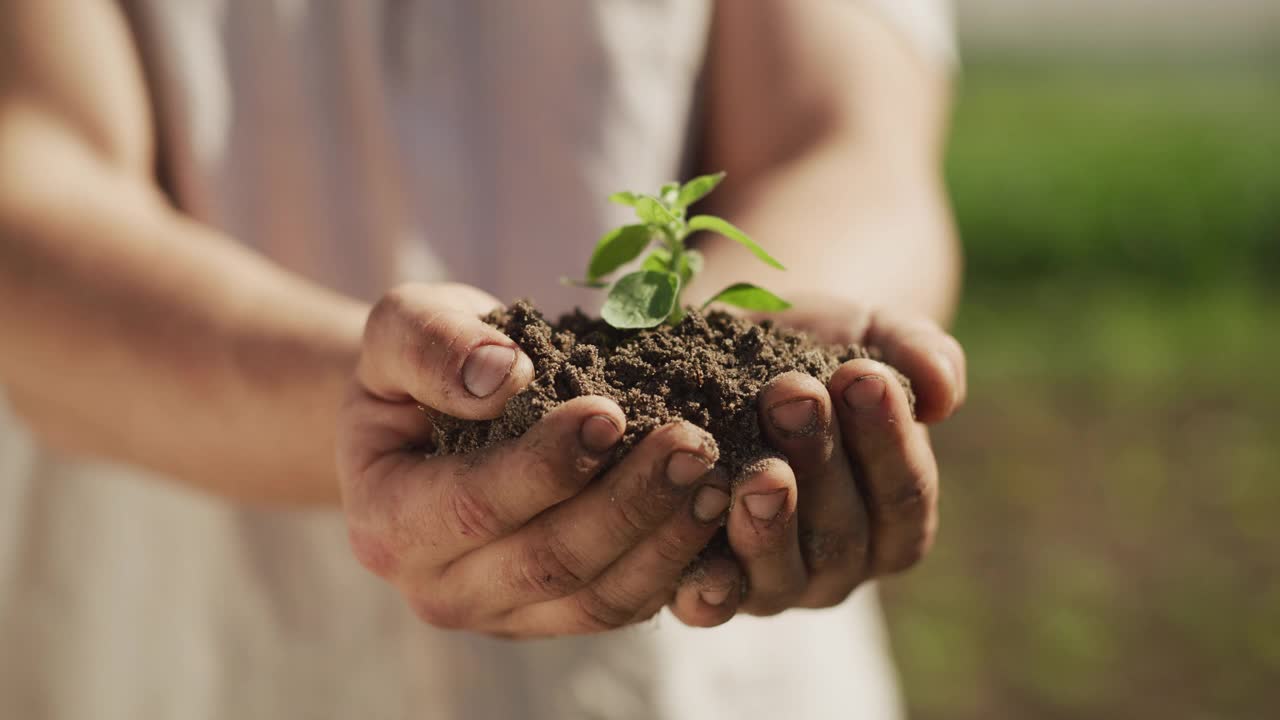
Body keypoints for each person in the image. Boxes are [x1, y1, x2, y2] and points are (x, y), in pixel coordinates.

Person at [0, 1, 965, 718]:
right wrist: (372, 405)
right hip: (176, 644)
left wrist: (791, 367)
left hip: (710, 678)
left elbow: (849, 147)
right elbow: (31, 196)